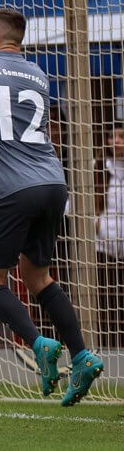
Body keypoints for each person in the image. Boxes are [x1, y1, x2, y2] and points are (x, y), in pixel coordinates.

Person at [0, 8, 103, 405]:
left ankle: (39, 343)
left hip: (13, 190)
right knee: (39, 277)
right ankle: (81, 354)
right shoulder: (38, 75)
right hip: (54, 183)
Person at [96, 121, 124, 348]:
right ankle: (105, 344)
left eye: (121, 137)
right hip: (103, 244)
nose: (115, 141)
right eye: (112, 137)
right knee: (106, 297)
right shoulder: (98, 167)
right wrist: (95, 223)